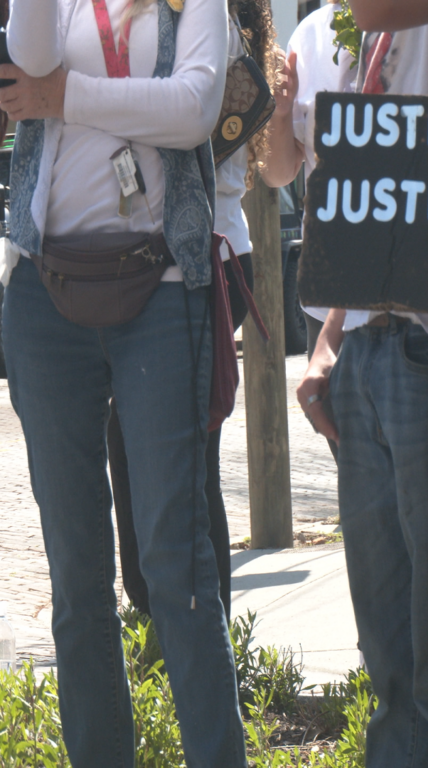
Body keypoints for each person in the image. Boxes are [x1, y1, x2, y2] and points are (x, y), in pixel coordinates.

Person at [0, 0, 245, 766]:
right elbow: (26, 60)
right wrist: (54, 90)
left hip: (161, 286)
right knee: (76, 578)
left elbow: (193, 108)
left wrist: (63, 98)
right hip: (45, 296)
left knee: (177, 563)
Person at [263, 3, 428, 767]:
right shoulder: (326, 30)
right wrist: (329, 338)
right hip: (360, 349)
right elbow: (278, 168)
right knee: (389, 657)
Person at [107, 0, 274, 623]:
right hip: (204, 252)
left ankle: (188, 626)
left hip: (201, 257)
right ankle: (172, 620)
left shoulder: (199, 17)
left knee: (178, 456)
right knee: (156, 444)